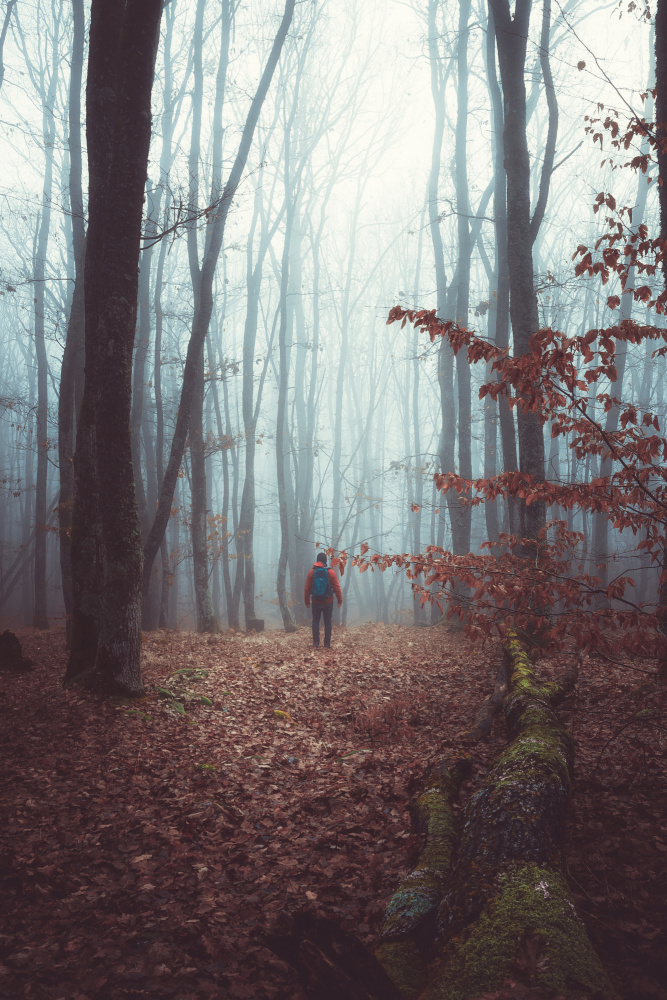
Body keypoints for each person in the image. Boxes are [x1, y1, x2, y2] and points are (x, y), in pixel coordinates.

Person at [304, 551, 342, 648]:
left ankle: (316, 643)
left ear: (317, 560)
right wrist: (339, 600)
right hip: (328, 601)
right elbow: (337, 587)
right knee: (327, 622)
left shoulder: (311, 572)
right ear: (325, 561)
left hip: (316, 601)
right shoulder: (331, 572)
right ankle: (327, 644)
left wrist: (307, 601)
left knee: (315, 621)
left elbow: (307, 588)